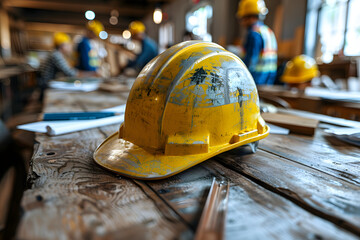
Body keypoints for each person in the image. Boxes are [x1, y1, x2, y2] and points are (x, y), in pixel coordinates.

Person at [237, 0, 277, 85]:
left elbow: (250, 62)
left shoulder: (254, 34)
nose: (242, 22)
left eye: (243, 18)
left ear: (250, 17)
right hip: (269, 80)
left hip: (256, 81)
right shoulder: (268, 31)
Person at [39, 32, 78, 100]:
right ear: (62, 46)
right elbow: (69, 73)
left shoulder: (56, 54)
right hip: (46, 86)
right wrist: (90, 73)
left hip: (47, 84)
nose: (70, 47)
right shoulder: (56, 55)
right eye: (68, 44)